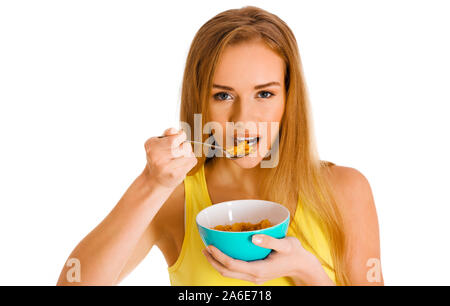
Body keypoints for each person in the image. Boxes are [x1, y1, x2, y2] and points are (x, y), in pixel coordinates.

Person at [57, 6, 383, 286]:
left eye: (265, 94)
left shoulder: (345, 190)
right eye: (223, 96)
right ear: (200, 102)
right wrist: (151, 184)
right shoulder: (175, 199)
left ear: (289, 98)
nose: (243, 119)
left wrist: (306, 271)